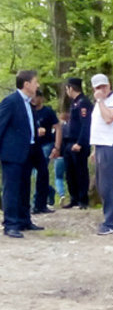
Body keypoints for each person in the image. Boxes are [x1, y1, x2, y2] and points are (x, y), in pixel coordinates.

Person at [0, 70, 46, 238]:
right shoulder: (10, 102)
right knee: (11, 189)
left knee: (25, 187)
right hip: (12, 153)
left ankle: (24, 220)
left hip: (28, 151)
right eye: (35, 82)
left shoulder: (29, 103)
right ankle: (10, 224)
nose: (38, 85)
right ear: (26, 84)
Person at [90, 74, 113, 235]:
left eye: (104, 86)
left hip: (111, 146)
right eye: (98, 87)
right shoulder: (101, 103)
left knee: (108, 186)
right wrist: (95, 149)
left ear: (109, 85)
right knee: (102, 185)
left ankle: (112, 222)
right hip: (102, 146)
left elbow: (109, 118)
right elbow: (99, 127)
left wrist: (100, 101)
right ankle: (112, 218)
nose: (101, 90)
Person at [62, 78, 92, 210]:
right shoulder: (74, 103)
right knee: (70, 172)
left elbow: (86, 124)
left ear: (71, 88)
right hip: (69, 142)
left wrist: (80, 142)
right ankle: (73, 197)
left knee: (80, 171)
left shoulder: (83, 102)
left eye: (67, 88)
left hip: (78, 142)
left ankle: (82, 199)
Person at [31, 90, 62, 214]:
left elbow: (58, 127)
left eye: (36, 97)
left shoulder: (48, 112)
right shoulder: (29, 110)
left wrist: (57, 146)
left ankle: (38, 203)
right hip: (32, 144)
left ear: (41, 98)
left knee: (41, 171)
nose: (33, 99)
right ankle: (48, 191)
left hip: (46, 144)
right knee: (34, 173)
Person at [55, 112, 70, 206]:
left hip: (59, 156)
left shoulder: (58, 129)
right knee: (69, 177)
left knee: (58, 177)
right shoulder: (70, 128)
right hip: (68, 156)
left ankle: (61, 194)